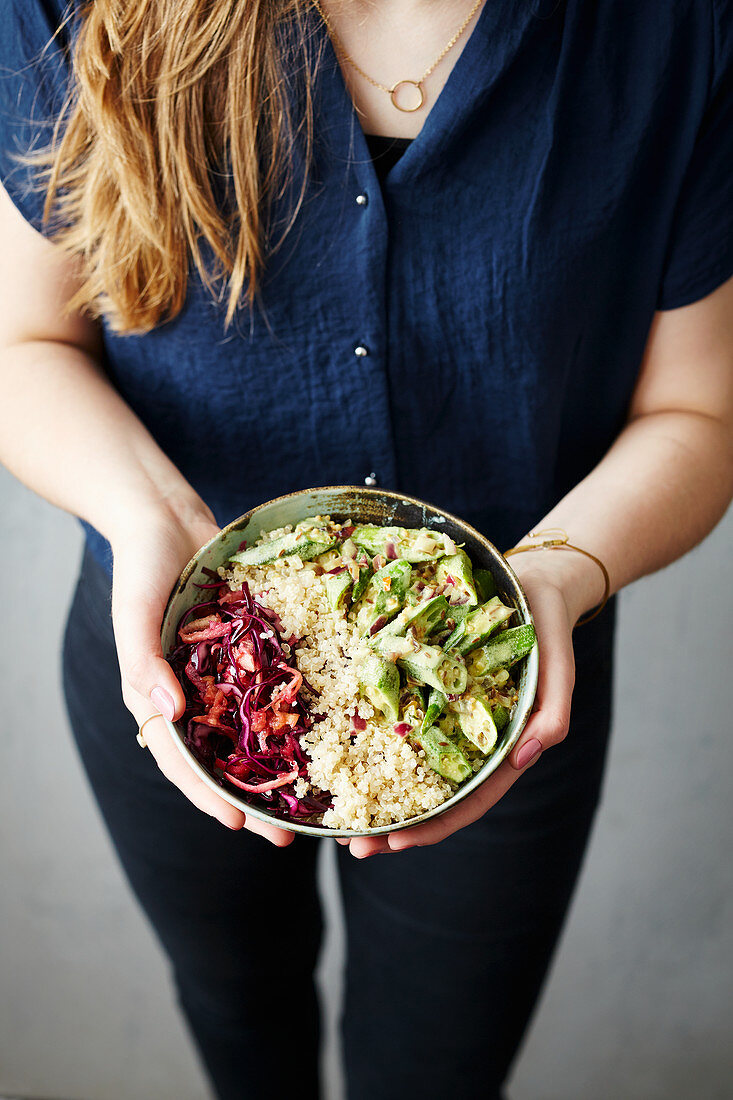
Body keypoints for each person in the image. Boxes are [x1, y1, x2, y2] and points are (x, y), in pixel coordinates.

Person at [1, 1, 731, 1097]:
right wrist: (148, 511)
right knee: (238, 1011)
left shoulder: (676, 33)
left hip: (514, 697)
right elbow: (24, 343)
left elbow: (700, 413)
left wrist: (555, 572)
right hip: (168, 667)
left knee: (437, 1068)